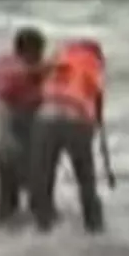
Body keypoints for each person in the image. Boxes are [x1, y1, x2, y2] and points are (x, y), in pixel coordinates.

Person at [30, 38, 108, 234]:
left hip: (46, 117)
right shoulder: (91, 63)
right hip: (76, 119)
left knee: (43, 178)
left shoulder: (58, 57)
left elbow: (38, 80)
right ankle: (94, 229)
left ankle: (43, 227)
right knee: (85, 180)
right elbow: (97, 96)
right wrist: (96, 126)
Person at [0, 26, 47, 223]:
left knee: (8, 208)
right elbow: (4, 107)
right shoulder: (15, 72)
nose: (41, 57)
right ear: (29, 51)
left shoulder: (3, 69)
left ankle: (8, 247)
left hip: (10, 145)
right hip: (18, 145)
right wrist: (7, 138)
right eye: (38, 53)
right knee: (38, 206)